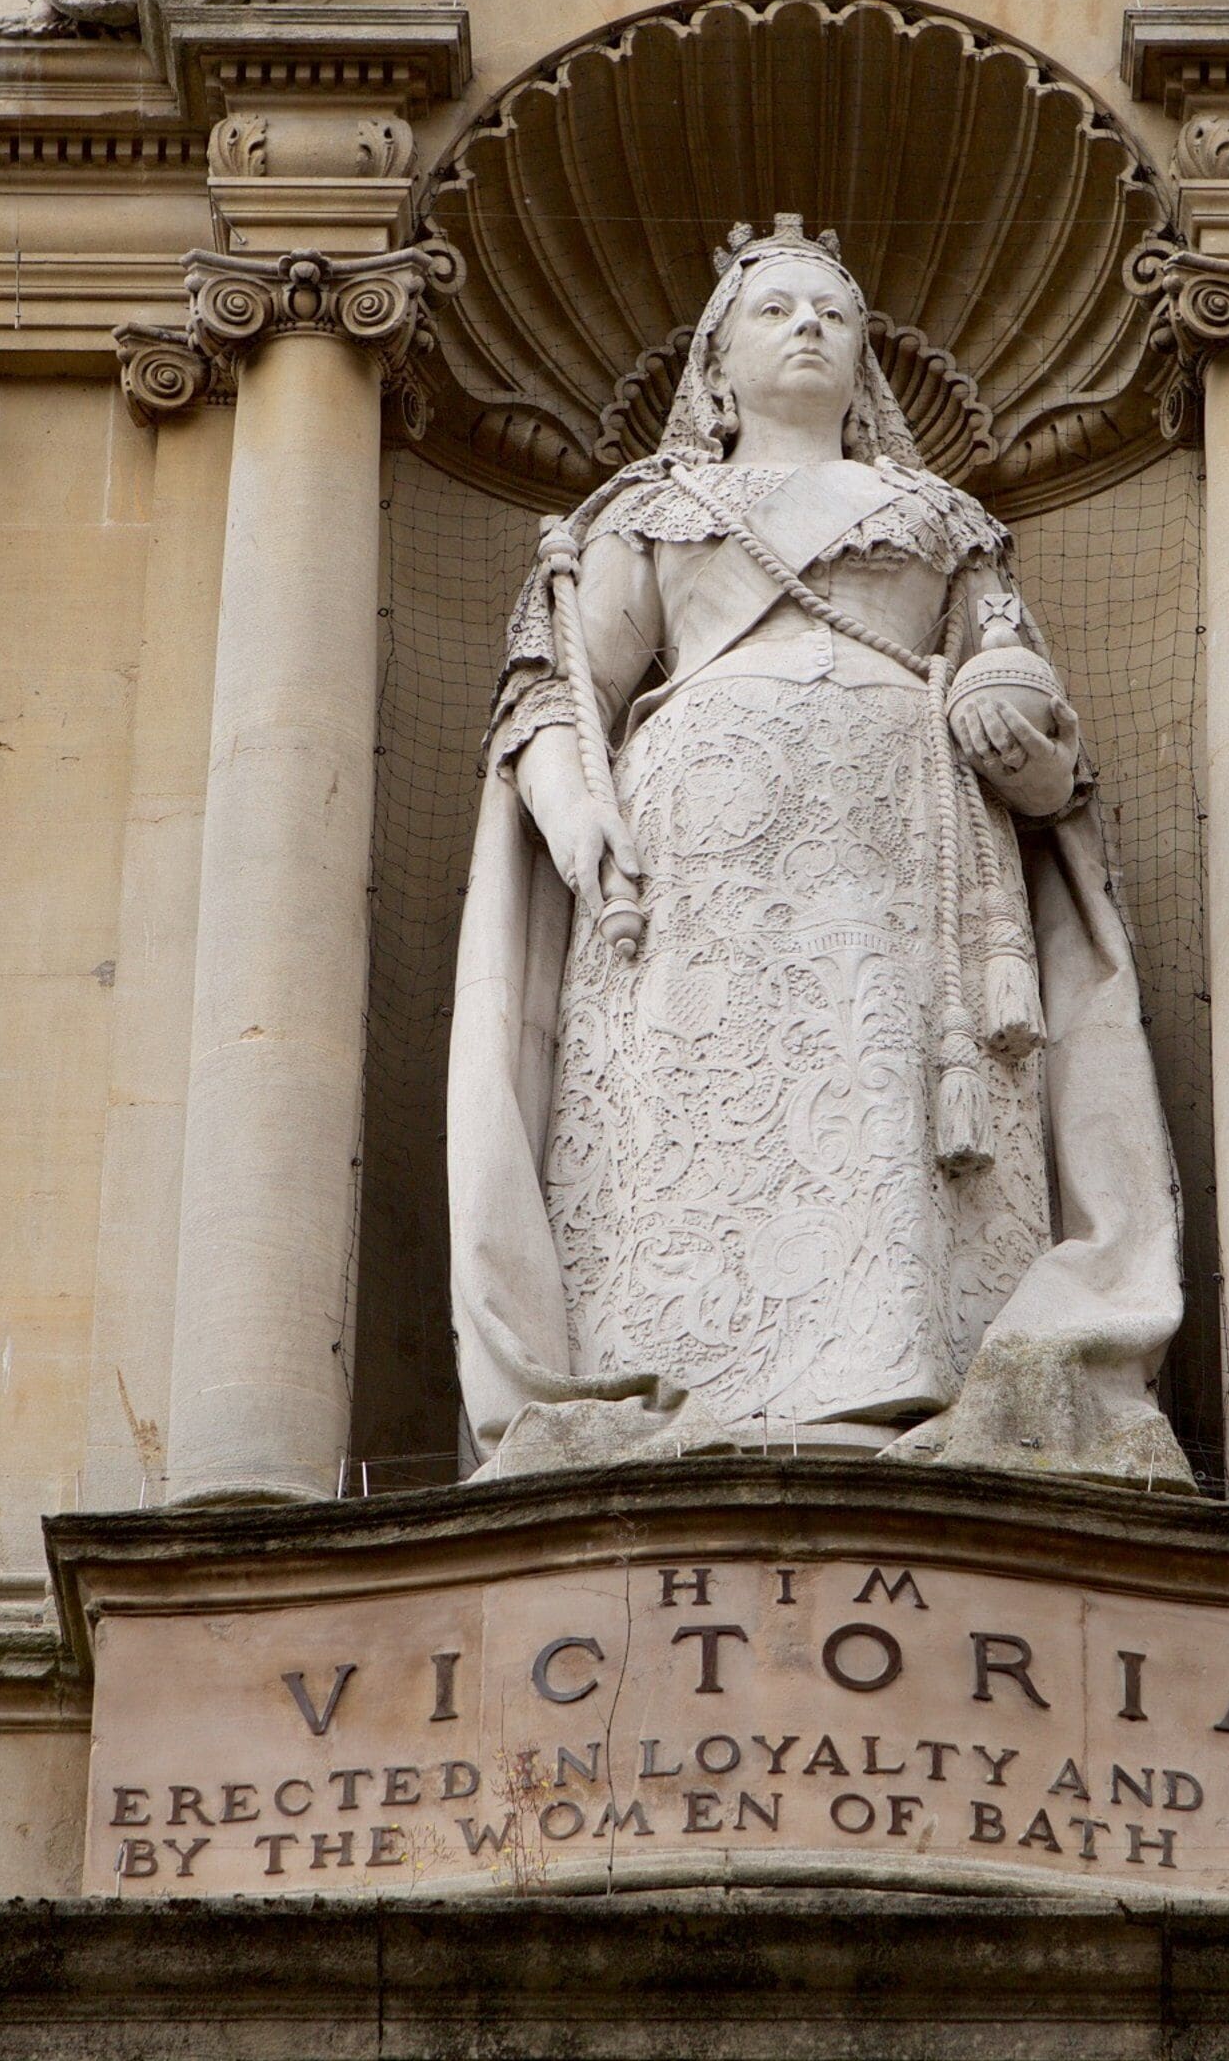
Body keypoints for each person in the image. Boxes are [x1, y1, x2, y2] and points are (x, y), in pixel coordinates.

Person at [444, 216, 1188, 1483]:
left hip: (904, 852)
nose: (808, 328)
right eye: (776, 309)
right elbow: (558, 697)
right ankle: (682, 1388)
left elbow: (1043, 742)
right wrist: (578, 819)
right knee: (700, 1104)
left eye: (834, 314)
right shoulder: (650, 510)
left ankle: (907, 1393)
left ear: (865, 367)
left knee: (887, 1096)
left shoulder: (942, 519)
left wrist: (1023, 751)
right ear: (717, 365)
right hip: (695, 865)